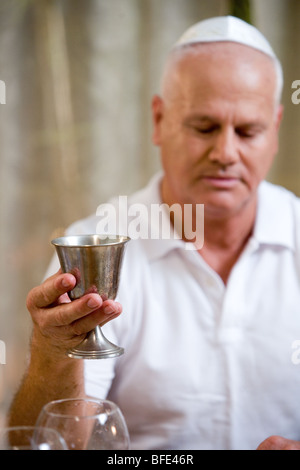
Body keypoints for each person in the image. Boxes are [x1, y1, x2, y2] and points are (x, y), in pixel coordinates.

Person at [8, 15, 300, 450]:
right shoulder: (96, 248)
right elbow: (45, 444)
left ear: (275, 130)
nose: (225, 152)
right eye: (204, 127)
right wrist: (52, 351)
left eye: (248, 131)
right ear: (159, 120)